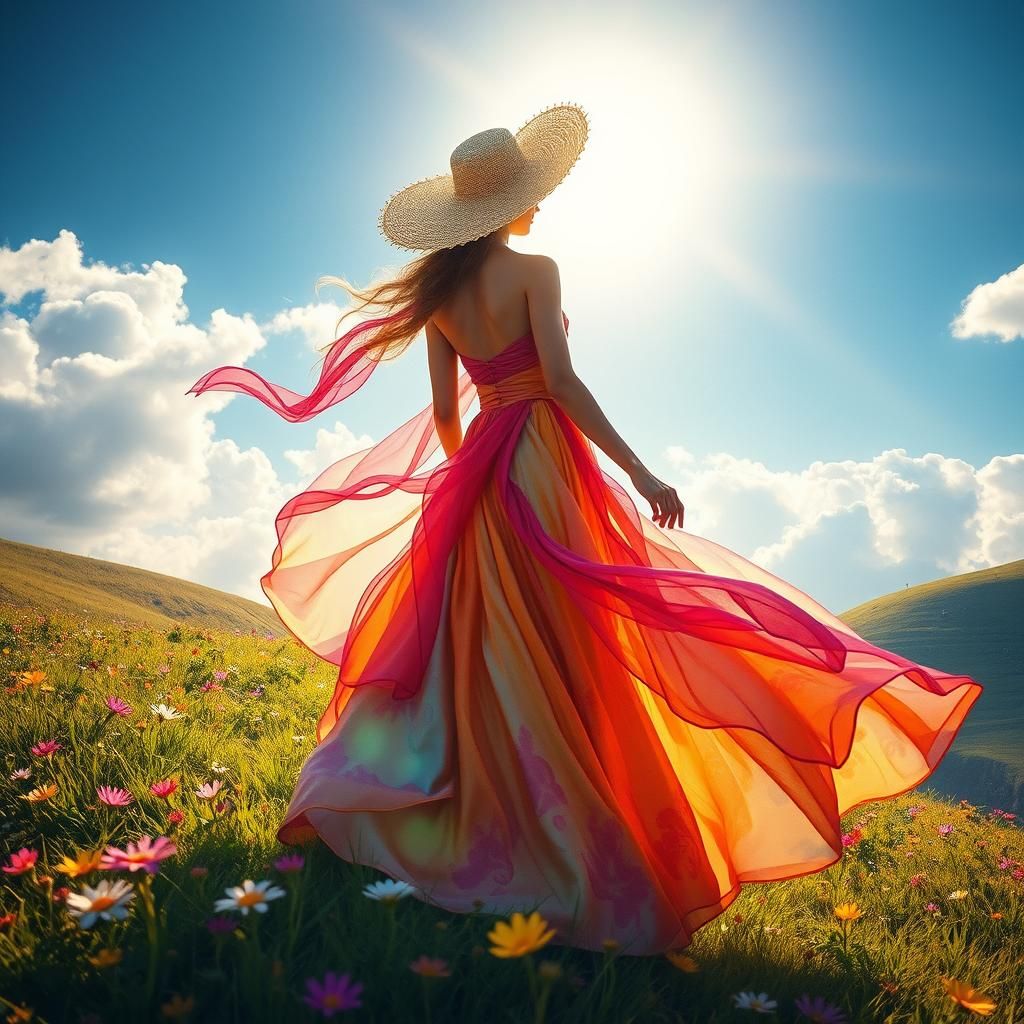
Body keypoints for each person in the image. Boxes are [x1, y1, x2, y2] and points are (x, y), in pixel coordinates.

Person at [186, 102, 983, 956]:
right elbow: (560, 382)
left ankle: (476, 816)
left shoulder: (444, 295)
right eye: (532, 192)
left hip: (486, 469)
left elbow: (445, 420)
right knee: (580, 626)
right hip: (543, 460)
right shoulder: (537, 270)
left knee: (487, 643)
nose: (543, 205)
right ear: (506, 208)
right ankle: (574, 834)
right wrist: (640, 471)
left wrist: (471, 478)